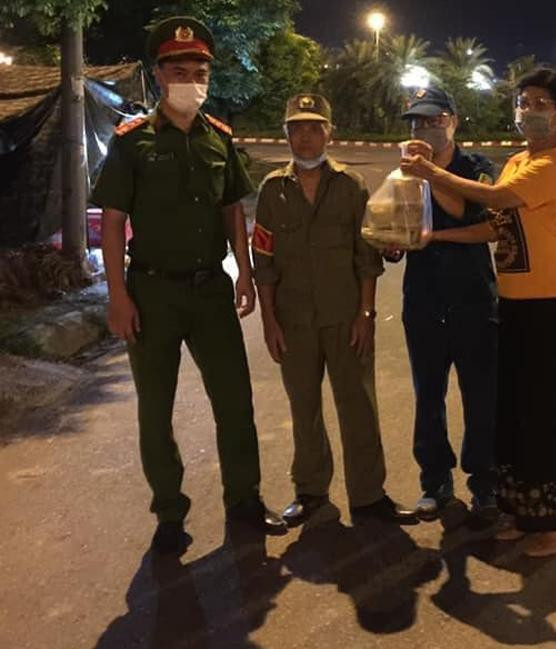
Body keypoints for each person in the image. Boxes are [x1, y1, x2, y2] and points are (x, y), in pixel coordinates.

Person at [92, 16, 287, 555]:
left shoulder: (218, 138)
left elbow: (232, 211)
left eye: (199, 73)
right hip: (151, 293)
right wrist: (117, 296)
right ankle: (169, 513)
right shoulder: (132, 142)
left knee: (235, 401)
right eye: (179, 72)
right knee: (156, 410)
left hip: (210, 292)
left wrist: (245, 274)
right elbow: (113, 222)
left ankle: (244, 500)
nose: (190, 81)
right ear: (158, 75)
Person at [400, 68, 556, 557]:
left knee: (546, 412)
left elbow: (496, 200)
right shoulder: (519, 161)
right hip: (515, 299)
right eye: (523, 102)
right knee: (517, 410)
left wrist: (432, 174)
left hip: (552, 298)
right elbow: (494, 226)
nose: (529, 111)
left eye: (541, 103)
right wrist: (432, 237)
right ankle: (525, 513)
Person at [252, 93, 416, 527]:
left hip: (346, 316)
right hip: (293, 320)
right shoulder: (272, 190)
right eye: (296, 128)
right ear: (286, 134)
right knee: (303, 407)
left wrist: (366, 315)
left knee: (359, 404)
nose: (305, 137)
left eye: (314, 127)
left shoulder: (351, 186)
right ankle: (310, 491)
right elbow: (263, 261)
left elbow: (367, 257)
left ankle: (369, 494)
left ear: (329, 133)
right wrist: (269, 321)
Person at [386, 87, 498, 528]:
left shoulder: (477, 168)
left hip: (474, 299)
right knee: (428, 395)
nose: (424, 129)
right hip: (424, 300)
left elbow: (484, 224)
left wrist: (430, 176)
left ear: (453, 121)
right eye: (417, 123)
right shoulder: (405, 175)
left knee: (481, 396)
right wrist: (393, 243)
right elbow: (399, 227)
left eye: (433, 121)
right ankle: (435, 482)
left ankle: (485, 484)